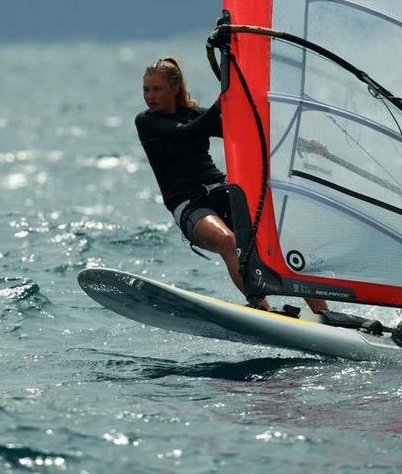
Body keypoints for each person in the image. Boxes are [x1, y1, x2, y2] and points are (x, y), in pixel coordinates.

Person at [134, 56, 328, 315]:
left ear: (174, 88)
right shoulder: (146, 122)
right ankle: (264, 310)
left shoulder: (194, 113)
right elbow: (186, 133)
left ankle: (325, 315)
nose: (150, 96)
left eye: (156, 89)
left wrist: (302, 143)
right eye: (146, 89)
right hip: (190, 205)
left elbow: (250, 132)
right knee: (228, 241)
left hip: (222, 191)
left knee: (280, 240)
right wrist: (220, 103)